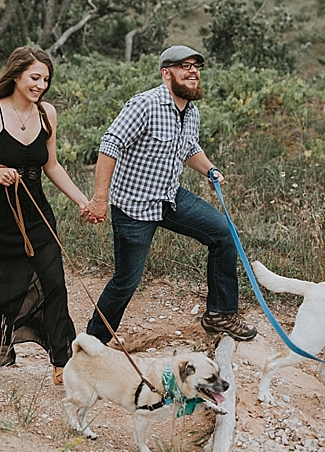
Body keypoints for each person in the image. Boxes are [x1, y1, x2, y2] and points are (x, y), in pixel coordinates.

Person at [84, 45, 258, 344]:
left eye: (196, 67)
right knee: (126, 282)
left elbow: (189, 148)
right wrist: (100, 199)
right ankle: (91, 344)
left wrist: (209, 169)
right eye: (184, 66)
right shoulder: (145, 105)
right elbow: (109, 145)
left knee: (223, 234)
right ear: (167, 73)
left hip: (170, 198)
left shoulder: (191, 112)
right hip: (134, 208)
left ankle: (219, 313)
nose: (193, 71)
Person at [0, 46, 93, 384]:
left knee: (53, 280)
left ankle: (62, 362)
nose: (41, 85)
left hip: (34, 209)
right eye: (34, 77)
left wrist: (81, 200)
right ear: (16, 75)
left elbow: (51, 165)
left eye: (45, 79)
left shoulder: (48, 114)